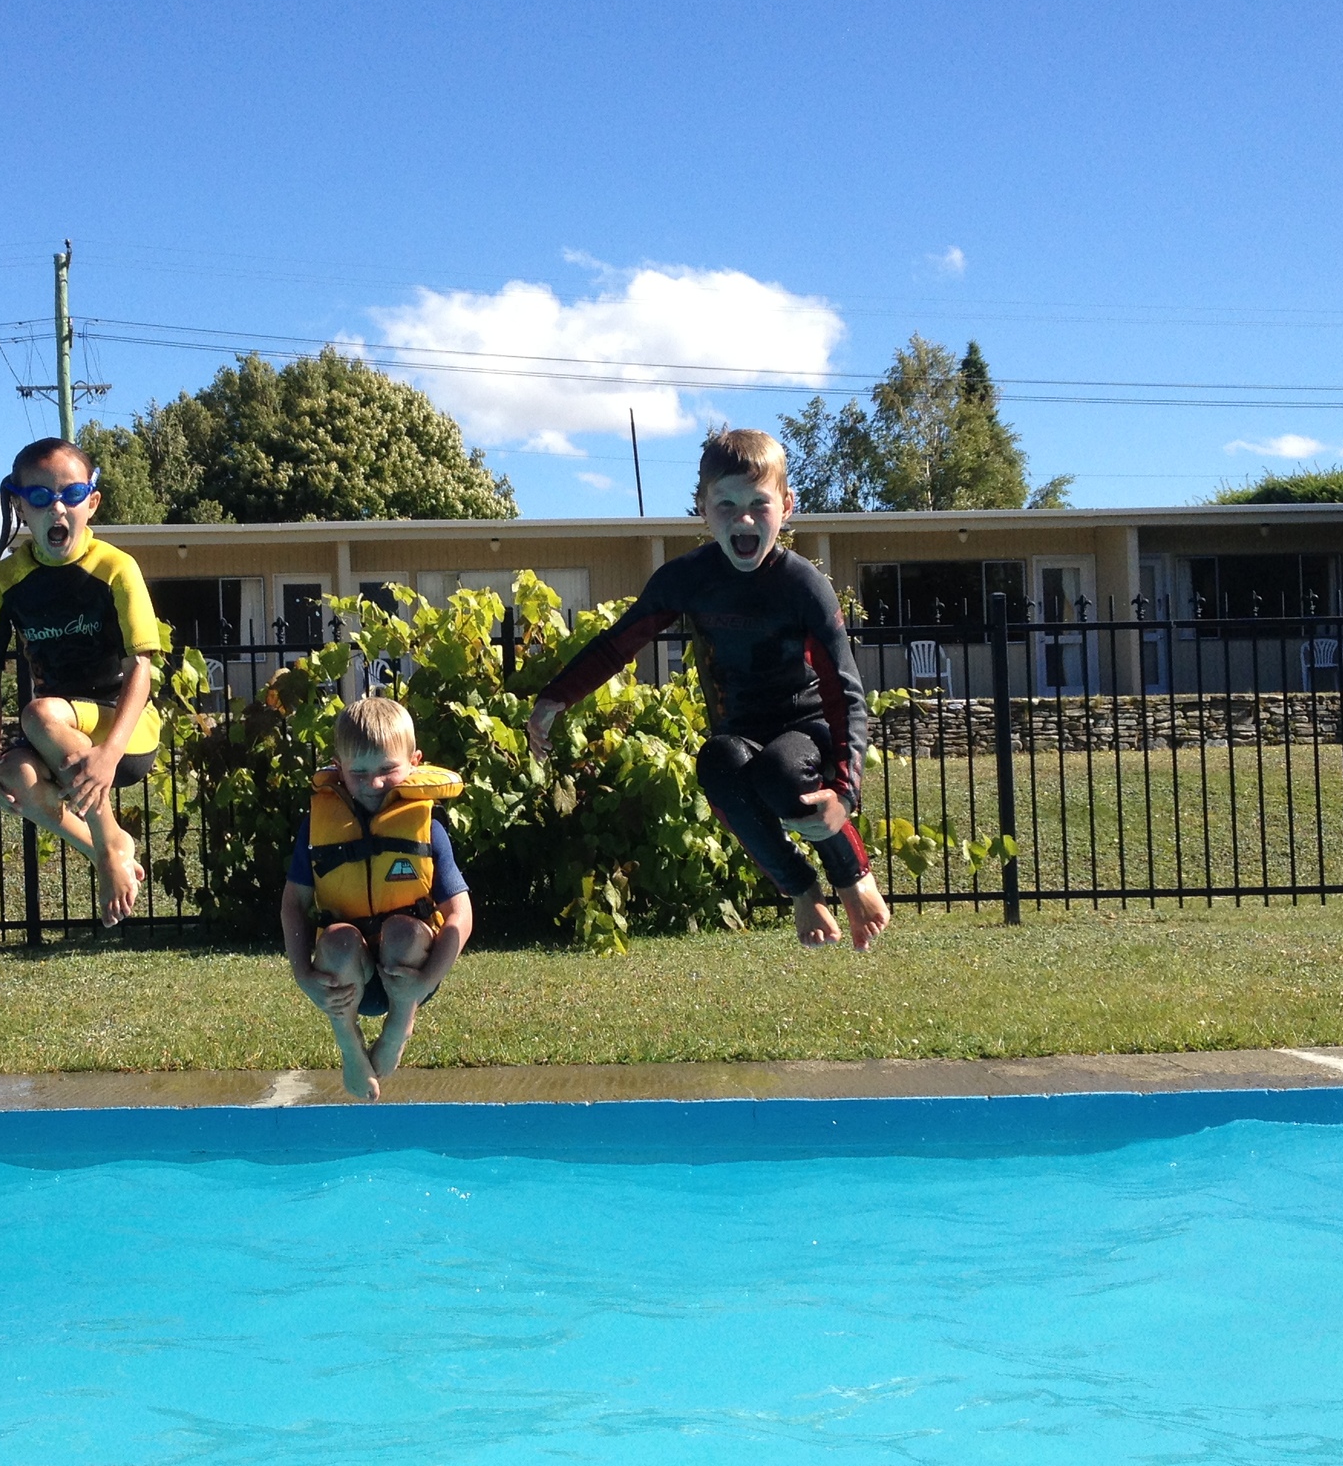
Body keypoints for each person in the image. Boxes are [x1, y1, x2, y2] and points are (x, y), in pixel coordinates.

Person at [526, 427, 891, 950]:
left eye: (758, 504)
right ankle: (801, 888)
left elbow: (844, 691)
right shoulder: (688, 579)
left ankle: (854, 877)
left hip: (804, 729)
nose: (743, 519)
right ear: (702, 508)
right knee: (716, 762)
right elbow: (618, 643)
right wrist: (555, 696)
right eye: (726, 504)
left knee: (783, 772)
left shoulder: (802, 585)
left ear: (786, 507)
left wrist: (845, 792)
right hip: (739, 731)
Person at [0, 437, 162, 926]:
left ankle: (108, 838)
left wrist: (110, 753)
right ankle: (107, 847)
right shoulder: (3, 581)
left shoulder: (116, 567)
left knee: (40, 710)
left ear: (91, 502)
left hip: (127, 732)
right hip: (58, 739)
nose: (56, 506)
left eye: (70, 493)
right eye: (38, 497)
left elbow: (142, 666)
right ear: (19, 506)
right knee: (17, 775)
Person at [281, 695, 474, 1100]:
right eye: (360, 773)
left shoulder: (427, 827)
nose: (374, 783)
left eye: (388, 769)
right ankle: (350, 1046)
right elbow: (294, 905)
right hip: (348, 977)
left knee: (404, 929)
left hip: (409, 974)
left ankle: (398, 1028)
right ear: (338, 768)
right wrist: (303, 975)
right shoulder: (317, 827)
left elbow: (459, 913)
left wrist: (426, 980)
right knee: (337, 939)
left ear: (415, 761)